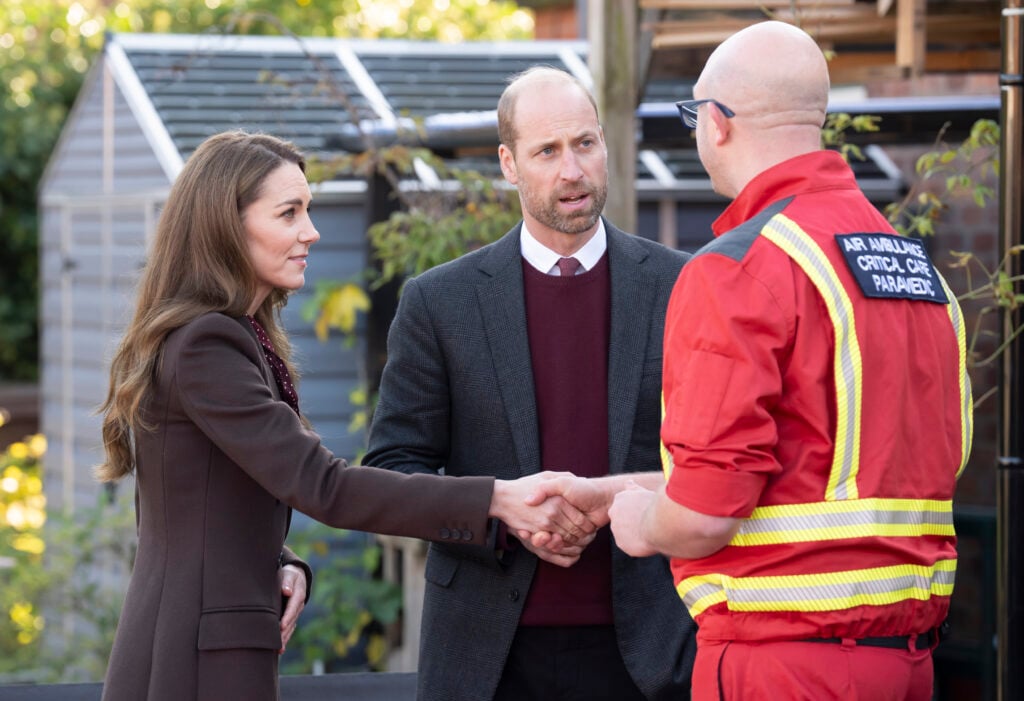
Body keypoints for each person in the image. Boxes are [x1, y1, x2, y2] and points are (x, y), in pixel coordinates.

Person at [96, 130, 598, 701]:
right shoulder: (208, 343)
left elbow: (191, 502)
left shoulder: (227, 336)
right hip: (194, 659)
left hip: (200, 643)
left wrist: (282, 562)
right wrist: (494, 500)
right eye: (289, 213)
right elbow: (324, 486)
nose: (311, 232)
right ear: (225, 227)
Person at [607, 21, 974, 701]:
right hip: (910, 662)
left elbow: (706, 512)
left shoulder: (740, 268)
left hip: (781, 662)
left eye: (694, 113)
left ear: (716, 124)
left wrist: (638, 523)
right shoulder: (915, 268)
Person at [363, 66, 696, 701]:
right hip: (489, 657)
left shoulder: (684, 287)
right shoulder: (440, 302)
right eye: (547, 151)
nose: (572, 170)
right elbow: (393, 470)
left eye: (585, 144)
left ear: (605, 144)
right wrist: (500, 510)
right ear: (509, 163)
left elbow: (715, 458)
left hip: (654, 650)